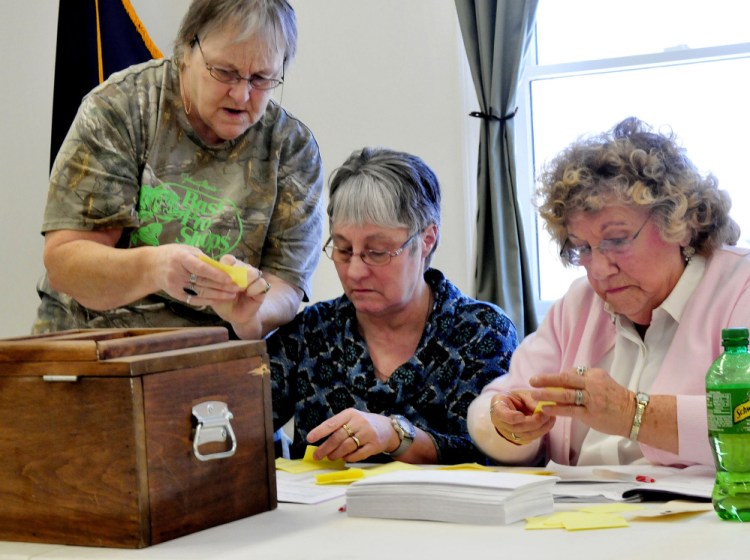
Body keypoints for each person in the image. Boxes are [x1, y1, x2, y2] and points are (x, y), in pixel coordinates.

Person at [33, 0, 324, 340]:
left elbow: (285, 286)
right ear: (187, 47)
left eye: (262, 78)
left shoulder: (291, 147)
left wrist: (252, 313)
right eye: (225, 72)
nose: (242, 93)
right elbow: (65, 263)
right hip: (94, 342)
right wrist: (154, 269)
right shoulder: (123, 108)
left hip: (211, 355)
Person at [468, 117, 750, 467]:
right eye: (582, 248)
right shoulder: (579, 304)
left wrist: (633, 414)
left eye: (616, 240)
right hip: (579, 512)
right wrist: (508, 425)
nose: (599, 270)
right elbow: (496, 401)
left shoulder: (740, 287)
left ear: (679, 222)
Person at [266, 147, 518, 464]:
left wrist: (396, 436)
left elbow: (496, 455)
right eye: (343, 250)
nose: (355, 271)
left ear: (427, 239)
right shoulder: (311, 333)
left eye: (377, 252)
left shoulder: (480, 331)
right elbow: (241, 423)